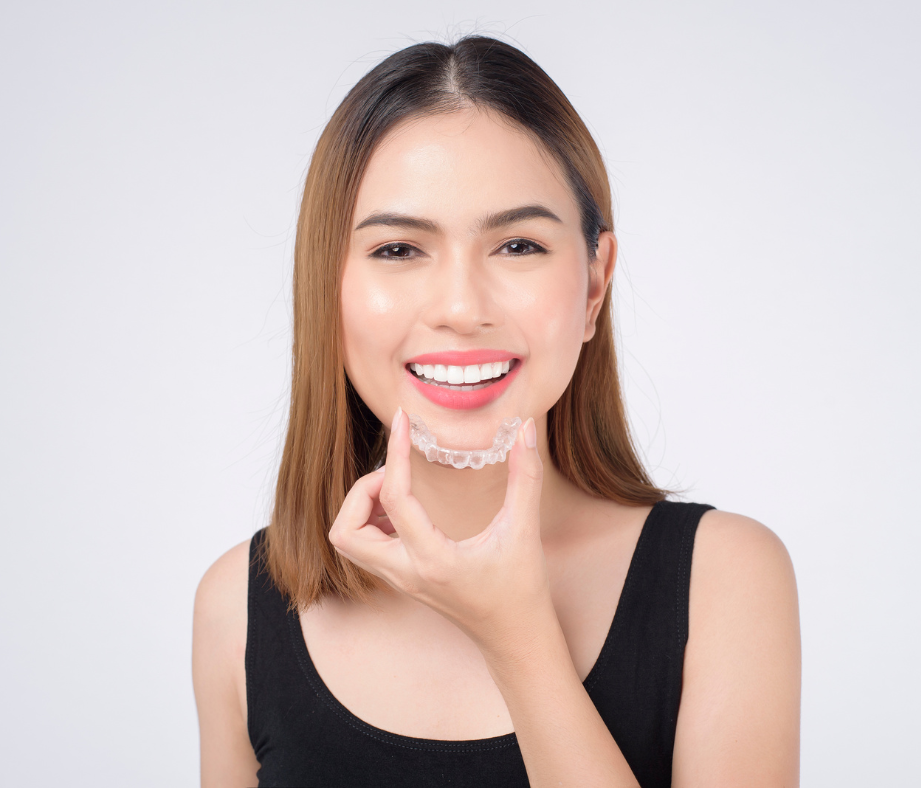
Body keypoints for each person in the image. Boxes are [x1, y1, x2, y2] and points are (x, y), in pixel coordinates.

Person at [191, 35, 801, 788]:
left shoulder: (723, 579)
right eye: (397, 250)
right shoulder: (238, 606)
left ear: (593, 284)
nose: (459, 308)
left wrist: (517, 639)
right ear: (327, 284)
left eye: (516, 245)